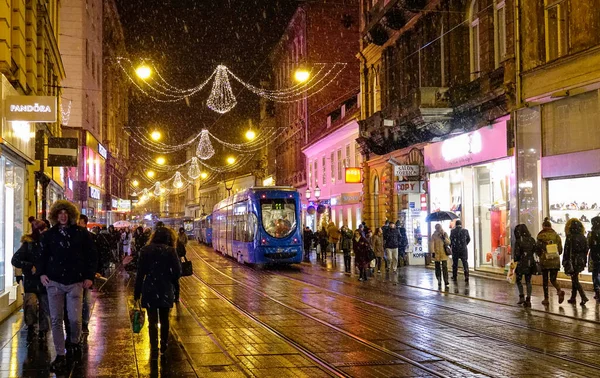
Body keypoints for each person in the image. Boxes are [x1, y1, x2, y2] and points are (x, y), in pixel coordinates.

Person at [38, 200, 97, 372]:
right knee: (56, 320)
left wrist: (89, 276)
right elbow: (42, 256)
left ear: (70, 215)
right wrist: (42, 274)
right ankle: (60, 354)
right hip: (54, 282)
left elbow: (91, 256)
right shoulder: (49, 235)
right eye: (60, 213)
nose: (63, 216)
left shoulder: (81, 234)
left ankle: (74, 342)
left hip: (75, 282)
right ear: (56, 215)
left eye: (66, 213)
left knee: (75, 319)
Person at [134, 227, 182, 359]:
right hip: (165, 289)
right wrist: (169, 278)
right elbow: (178, 272)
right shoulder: (171, 251)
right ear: (169, 238)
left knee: (152, 321)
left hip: (150, 289)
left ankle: (154, 348)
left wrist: (137, 292)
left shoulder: (145, 250)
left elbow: (140, 274)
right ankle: (164, 344)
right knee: (165, 319)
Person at [11, 220, 50, 342]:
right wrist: (29, 266)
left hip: (45, 282)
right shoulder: (28, 245)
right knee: (31, 304)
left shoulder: (48, 243)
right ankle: (31, 326)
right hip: (32, 282)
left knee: (45, 306)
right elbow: (15, 260)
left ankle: (43, 331)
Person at [536, 218, 565, 305]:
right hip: (555, 260)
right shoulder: (556, 236)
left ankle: (546, 299)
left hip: (545, 260)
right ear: (550, 226)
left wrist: (541, 255)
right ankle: (559, 290)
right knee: (553, 279)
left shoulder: (540, 236)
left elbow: (537, 249)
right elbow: (560, 250)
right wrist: (554, 254)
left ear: (543, 226)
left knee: (545, 280)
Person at [77, 214, 97, 334]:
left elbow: (94, 256)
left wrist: (91, 274)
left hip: (85, 275)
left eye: (80, 222)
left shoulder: (90, 237)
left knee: (86, 300)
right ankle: (76, 324)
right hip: (74, 276)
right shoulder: (71, 236)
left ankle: (84, 323)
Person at [564, 219, 589, 305]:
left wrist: (565, 261)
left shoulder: (570, 237)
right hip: (580, 260)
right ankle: (573, 297)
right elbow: (586, 249)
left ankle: (583, 296)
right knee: (574, 277)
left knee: (574, 279)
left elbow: (566, 250)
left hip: (573, 259)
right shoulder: (583, 237)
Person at [513, 224, 538, 307]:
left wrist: (516, 260)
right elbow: (535, 250)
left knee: (518, 280)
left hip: (521, 263)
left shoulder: (519, 241)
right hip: (530, 262)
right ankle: (528, 299)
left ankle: (521, 296)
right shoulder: (532, 240)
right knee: (528, 281)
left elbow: (516, 254)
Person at [429, 223, 450, 289]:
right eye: (437, 228)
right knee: (437, 267)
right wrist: (432, 252)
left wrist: (443, 237)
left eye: (439, 227)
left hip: (443, 253)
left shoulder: (444, 234)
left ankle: (446, 281)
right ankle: (439, 280)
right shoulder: (434, 235)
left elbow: (449, 242)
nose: (438, 229)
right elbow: (431, 244)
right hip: (437, 253)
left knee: (444, 267)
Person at [588, 216, 600, 302]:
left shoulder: (591, 234)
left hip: (594, 256)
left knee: (595, 273)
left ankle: (597, 291)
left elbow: (587, 245)